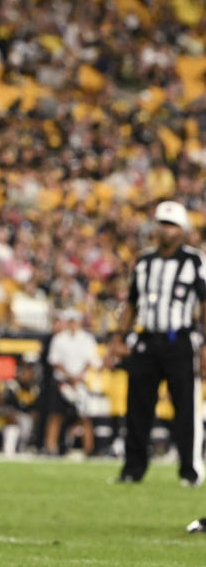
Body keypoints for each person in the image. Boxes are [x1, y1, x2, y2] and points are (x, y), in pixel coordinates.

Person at [114, 201, 206, 485]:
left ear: (182, 230)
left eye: (171, 225)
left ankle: (189, 470)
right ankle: (132, 470)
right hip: (146, 340)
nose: (165, 230)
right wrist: (119, 337)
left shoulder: (194, 260)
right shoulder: (144, 262)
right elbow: (131, 303)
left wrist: (204, 345)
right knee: (137, 407)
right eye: (162, 224)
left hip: (179, 340)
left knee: (184, 408)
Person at [44, 308, 100, 455]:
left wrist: (78, 376)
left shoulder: (87, 339)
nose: (73, 324)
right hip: (63, 383)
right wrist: (70, 376)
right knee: (56, 415)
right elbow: (55, 361)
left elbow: (91, 360)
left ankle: (89, 448)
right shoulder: (59, 338)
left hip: (81, 383)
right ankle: (50, 447)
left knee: (85, 416)